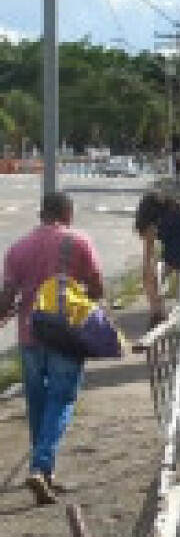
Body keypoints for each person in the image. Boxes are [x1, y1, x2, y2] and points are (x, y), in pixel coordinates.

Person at [0, 189, 104, 504]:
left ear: (41, 214)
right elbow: (97, 285)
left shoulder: (16, 249)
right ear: (67, 214)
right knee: (61, 399)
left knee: (37, 402)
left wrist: (4, 313)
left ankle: (44, 473)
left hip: (30, 336)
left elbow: (6, 297)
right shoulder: (79, 242)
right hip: (65, 336)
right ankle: (40, 465)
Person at [134, 190, 180, 327]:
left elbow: (148, 253)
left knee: (150, 277)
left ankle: (157, 312)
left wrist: (147, 271)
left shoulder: (151, 223)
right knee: (158, 275)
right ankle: (162, 311)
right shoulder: (175, 207)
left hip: (176, 254)